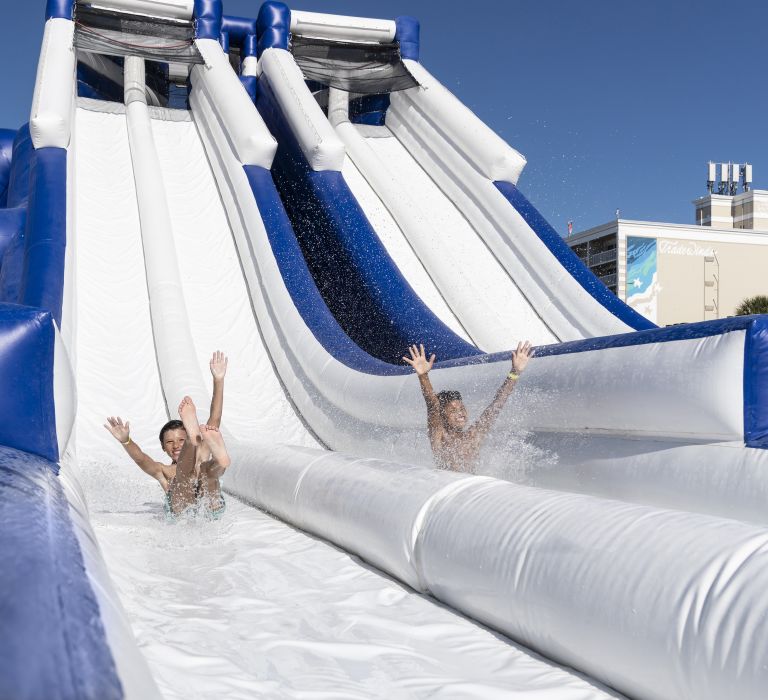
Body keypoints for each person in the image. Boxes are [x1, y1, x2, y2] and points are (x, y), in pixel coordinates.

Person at [104, 351, 231, 519]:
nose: (176, 445)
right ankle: (211, 455)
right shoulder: (163, 471)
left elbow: (215, 418)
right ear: (163, 447)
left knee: (207, 472)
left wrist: (218, 380)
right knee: (186, 476)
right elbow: (141, 458)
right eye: (170, 442)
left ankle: (219, 461)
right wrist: (126, 440)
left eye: (180, 440)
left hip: (207, 507)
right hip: (189, 510)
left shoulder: (197, 455)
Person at [403, 341, 533, 473]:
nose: (460, 413)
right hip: (450, 485)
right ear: (442, 415)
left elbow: (497, 404)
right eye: (453, 411)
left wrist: (515, 372)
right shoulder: (439, 435)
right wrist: (423, 376)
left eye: (461, 409)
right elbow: (432, 405)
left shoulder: (473, 435)